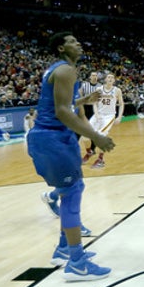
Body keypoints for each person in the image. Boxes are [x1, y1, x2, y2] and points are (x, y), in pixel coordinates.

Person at [27, 31, 116, 282]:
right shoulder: (66, 70)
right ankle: (76, 262)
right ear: (61, 49)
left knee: (73, 188)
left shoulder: (61, 70)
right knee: (72, 191)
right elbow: (63, 111)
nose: (78, 43)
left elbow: (59, 102)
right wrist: (96, 137)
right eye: (72, 41)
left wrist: (84, 99)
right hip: (52, 137)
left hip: (51, 137)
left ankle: (65, 249)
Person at [41, 90, 99, 237]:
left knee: (75, 185)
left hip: (69, 144)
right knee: (73, 187)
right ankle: (73, 228)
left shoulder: (75, 95)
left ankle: (52, 196)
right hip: (55, 144)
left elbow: (82, 116)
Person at [80, 72, 124, 169]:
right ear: (105, 79)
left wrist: (119, 116)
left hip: (109, 116)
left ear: (114, 80)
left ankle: (100, 160)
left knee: (100, 136)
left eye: (112, 77)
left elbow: (121, 104)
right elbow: (95, 103)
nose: (110, 79)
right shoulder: (99, 89)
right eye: (108, 77)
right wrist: (96, 114)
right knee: (85, 136)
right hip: (98, 115)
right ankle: (89, 152)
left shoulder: (117, 90)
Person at [79, 71, 101, 162]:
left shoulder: (100, 87)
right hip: (86, 109)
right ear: (90, 77)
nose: (94, 77)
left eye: (96, 75)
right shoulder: (84, 85)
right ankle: (89, 150)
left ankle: (91, 150)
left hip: (96, 109)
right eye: (93, 75)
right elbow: (79, 93)